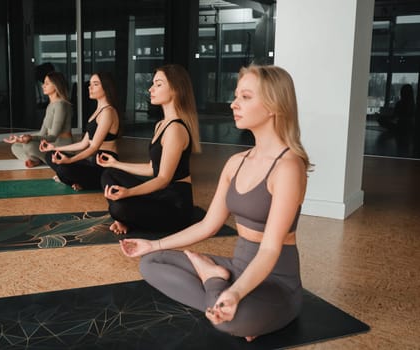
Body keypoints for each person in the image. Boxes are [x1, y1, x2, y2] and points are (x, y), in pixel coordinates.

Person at [119, 65, 312, 342]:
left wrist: (234, 292)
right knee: (151, 262)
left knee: (231, 323)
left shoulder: (288, 167)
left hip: (276, 282)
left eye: (245, 97)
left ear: (273, 106)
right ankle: (218, 285)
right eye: (236, 96)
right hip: (237, 267)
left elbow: (270, 249)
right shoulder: (236, 162)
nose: (234, 104)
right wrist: (153, 244)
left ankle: (215, 283)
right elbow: (209, 224)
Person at [97, 64, 201, 235]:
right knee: (109, 173)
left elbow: (163, 179)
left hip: (174, 205)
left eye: (158, 84)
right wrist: (115, 163)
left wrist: (129, 193)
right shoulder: (161, 124)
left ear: (175, 89)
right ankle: (125, 217)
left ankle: (124, 217)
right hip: (159, 194)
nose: (151, 89)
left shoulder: (175, 129)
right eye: (153, 84)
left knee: (119, 208)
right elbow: (152, 168)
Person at [40, 72, 120, 190]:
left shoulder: (108, 112)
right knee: (50, 155)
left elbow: (94, 147)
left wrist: (70, 160)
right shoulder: (97, 111)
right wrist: (55, 148)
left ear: (106, 87)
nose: (90, 87)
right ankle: (78, 181)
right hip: (93, 162)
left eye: (95, 84)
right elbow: (83, 144)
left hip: (104, 166)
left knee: (64, 168)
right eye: (90, 84)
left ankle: (84, 182)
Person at [4, 71, 73, 168]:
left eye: (47, 83)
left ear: (56, 86)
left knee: (29, 146)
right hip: (49, 143)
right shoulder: (50, 105)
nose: (43, 86)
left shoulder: (61, 105)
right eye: (44, 83)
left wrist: (30, 138)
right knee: (15, 146)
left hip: (60, 146)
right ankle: (34, 160)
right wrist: (20, 139)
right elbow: (42, 133)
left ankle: (37, 159)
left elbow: (53, 137)